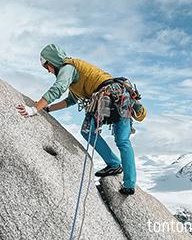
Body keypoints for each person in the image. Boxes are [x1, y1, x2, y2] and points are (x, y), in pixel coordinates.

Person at [16, 44, 146, 195]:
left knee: (88, 131)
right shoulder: (74, 75)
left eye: (47, 67)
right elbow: (70, 100)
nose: (48, 71)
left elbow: (58, 89)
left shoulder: (68, 67)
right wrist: (48, 109)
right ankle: (128, 183)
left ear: (52, 62)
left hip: (106, 96)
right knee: (123, 141)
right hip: (122, 98)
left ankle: (114, 164)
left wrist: (33, 109)